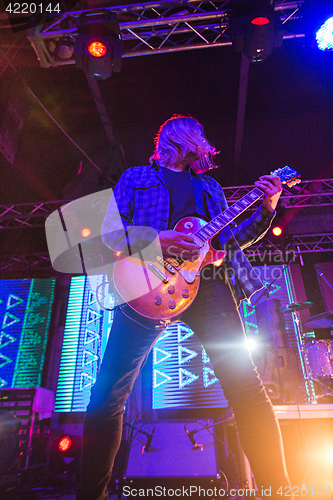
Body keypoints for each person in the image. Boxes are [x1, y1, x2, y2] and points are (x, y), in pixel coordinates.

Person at [76, 115, 291, 500]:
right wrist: (160, 240)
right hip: (144, 285)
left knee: (248, 389)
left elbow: (232, 241)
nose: (207, 142)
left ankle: (281, 492)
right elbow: (110, 232)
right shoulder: (136, 176)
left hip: (208, 288)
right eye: (201, 134)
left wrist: (268, 205)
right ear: (179, 136)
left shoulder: (209, 187)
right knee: (108, 395)